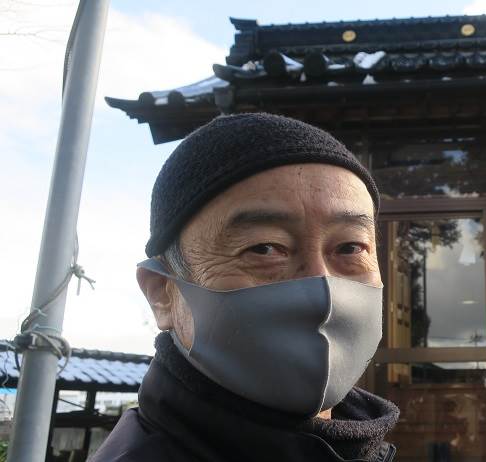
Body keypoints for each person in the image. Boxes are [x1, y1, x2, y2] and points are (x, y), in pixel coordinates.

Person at [91, 113, 398, 462]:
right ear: (162, 293)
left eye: (350, 248)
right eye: (264, 248)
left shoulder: (362, 446)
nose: (321, 287)